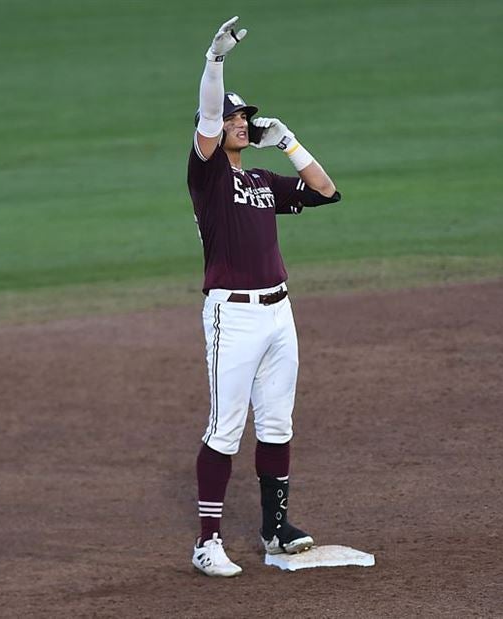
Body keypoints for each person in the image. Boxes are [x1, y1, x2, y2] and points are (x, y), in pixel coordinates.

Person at [186, 16, 342, 578]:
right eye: (232, 118)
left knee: (277, 425)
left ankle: (275, 530)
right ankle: (208, 542)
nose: (240, 124)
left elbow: (327, 192)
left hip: (280, 313)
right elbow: (205, 117)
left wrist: (291, 142)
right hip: (234, 313)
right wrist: (214, 60)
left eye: (244, 117)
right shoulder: (206, 176)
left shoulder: (261, 182)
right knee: (225, 428)